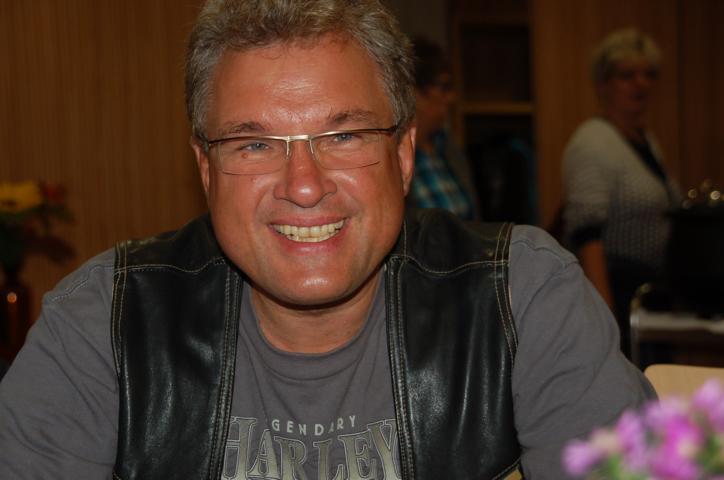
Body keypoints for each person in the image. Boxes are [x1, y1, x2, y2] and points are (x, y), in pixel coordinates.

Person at [0, 2, 654, 479]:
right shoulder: (105, 323)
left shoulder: (521, 298)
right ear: (206, 168)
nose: (305, 185)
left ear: (403, 154)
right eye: (254, 144)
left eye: (343, 136)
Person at [562, 28, 680, 358]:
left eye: (649, 74)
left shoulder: (646, 140)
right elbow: (587, 235)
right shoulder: (592, 142)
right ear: (603, 84)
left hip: (649, 298)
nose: (640, 84)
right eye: (627, 75)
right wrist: (607, 323)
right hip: (616, 293)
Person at [408, 37, 478, 220]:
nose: (452, 97)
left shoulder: (448, 147)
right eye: (443, 87)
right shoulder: (398, 156)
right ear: (415, 92)